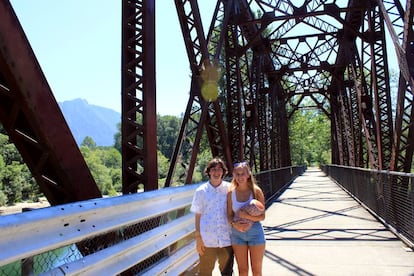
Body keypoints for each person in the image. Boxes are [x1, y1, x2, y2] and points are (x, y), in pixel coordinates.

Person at [190, 157, 234, 276]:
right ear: (208, 171)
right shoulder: (201, 191)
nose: (216, 172)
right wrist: (198, 238)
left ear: (223, 172)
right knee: (205, 272)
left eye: (219, 169)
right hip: (207, 240)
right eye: (213, 169)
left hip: (226, 239)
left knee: (227, 272)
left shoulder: (230, 189)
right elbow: (197, 215)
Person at [227, 161, 266, 276]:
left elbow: (262, 216)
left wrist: (246, 216)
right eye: (237, 174)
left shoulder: (256, 191)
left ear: (248, 174)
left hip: (255, 233)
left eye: (242, 173)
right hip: (237, 234)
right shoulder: (231, 193)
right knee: (242, 270)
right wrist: (235, 225)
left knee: (256, 271)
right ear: (234, 175)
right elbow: (229, 216)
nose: (240, 177)